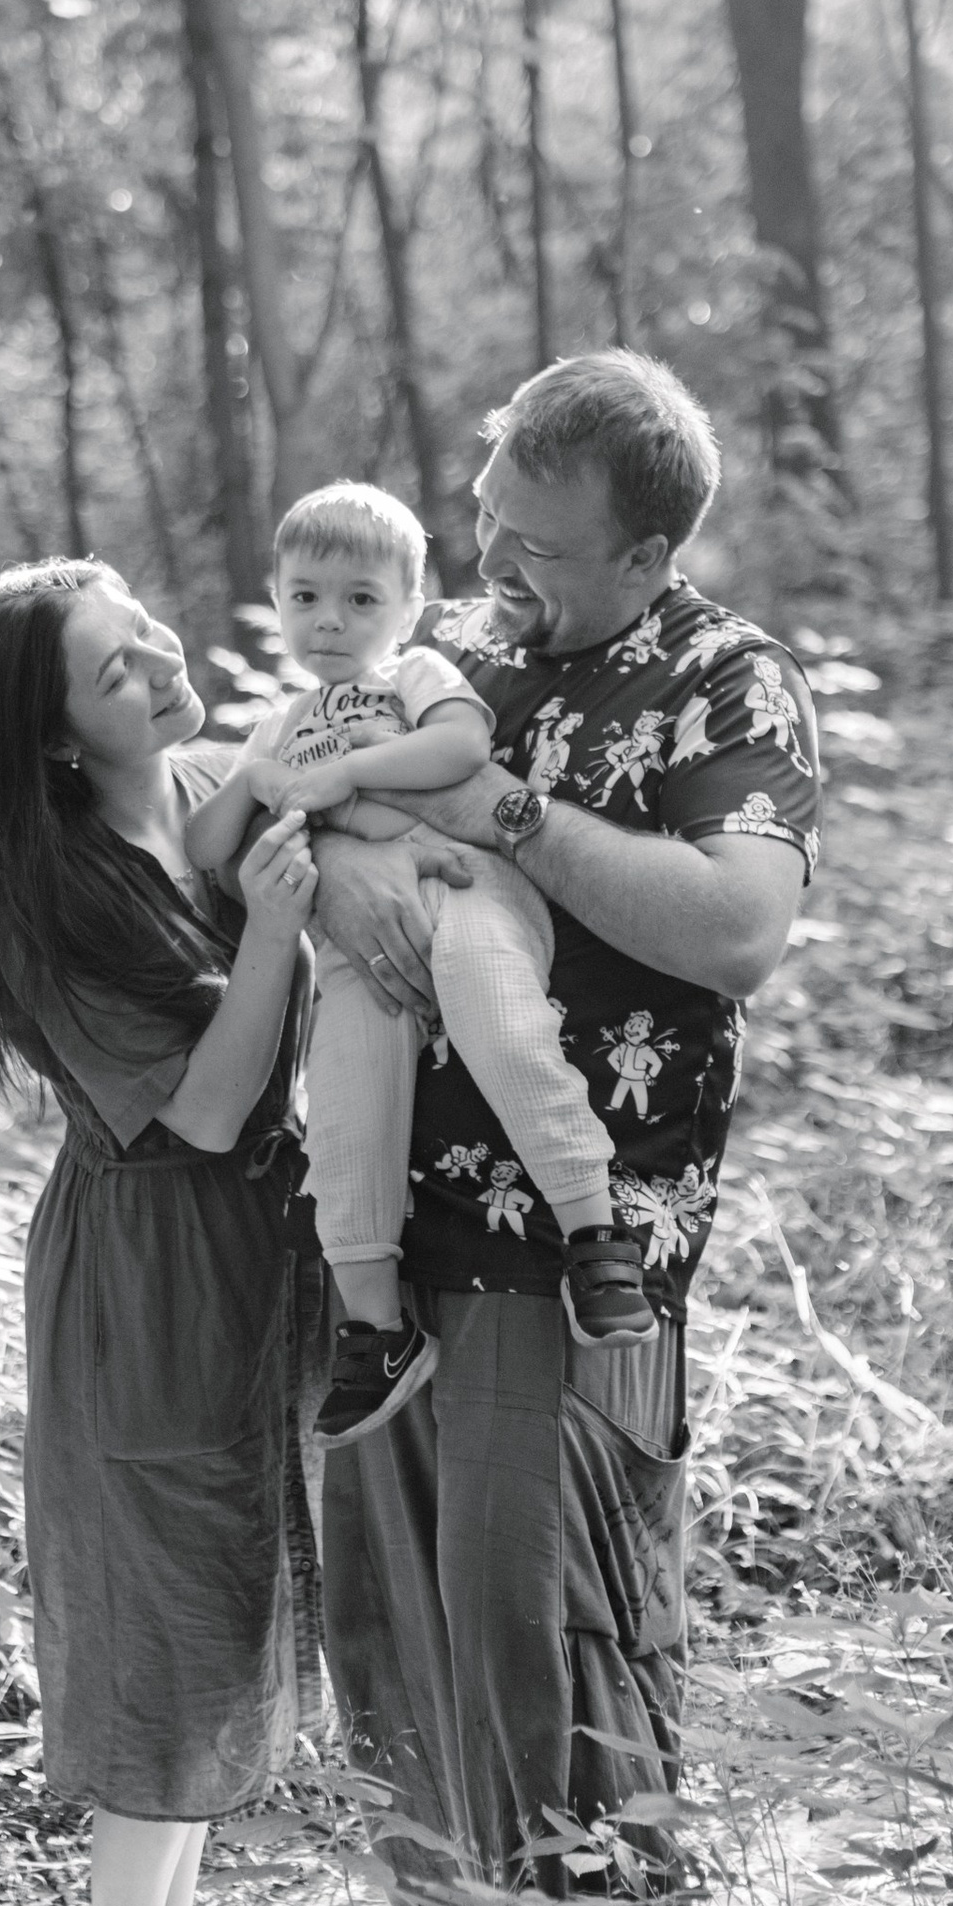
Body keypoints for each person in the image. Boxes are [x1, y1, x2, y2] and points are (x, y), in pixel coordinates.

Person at [310, 353, 821, 1906]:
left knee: (567, 1642)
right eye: (489, 513)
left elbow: (734, 928)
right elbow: (330, 793)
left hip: (577, 1247)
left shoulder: (724, 679)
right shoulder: (465, 646)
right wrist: (332, 877)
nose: (493, 553)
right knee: (435, 1633)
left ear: (649, 542)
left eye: (536, 534)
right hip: (395, 1240)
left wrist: (512, 819)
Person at [0, 558, 327, 1906]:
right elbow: (214, 1107)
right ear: (46, 738)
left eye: (145, 629)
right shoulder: (47, 893)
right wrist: (283, 931)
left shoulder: (208, 795)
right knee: (168, 1628)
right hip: (153, 1271)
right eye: (111, 671)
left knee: (235, 1619)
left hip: (259, 1253)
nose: (160, 663)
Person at [184, 480, 655, 1450]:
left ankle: (596, 1234)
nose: (329, 620)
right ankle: (376, 1325)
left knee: (502, 1027)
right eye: (305, 595)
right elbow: (204, 846)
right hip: (358, 943)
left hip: (468, 888)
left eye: (361, 598)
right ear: (275, 600)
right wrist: (258, 778)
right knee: (346, 1111)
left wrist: (348, 773)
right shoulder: (278, 723)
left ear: (407, 606)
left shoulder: (419, 674)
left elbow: (461, 746)